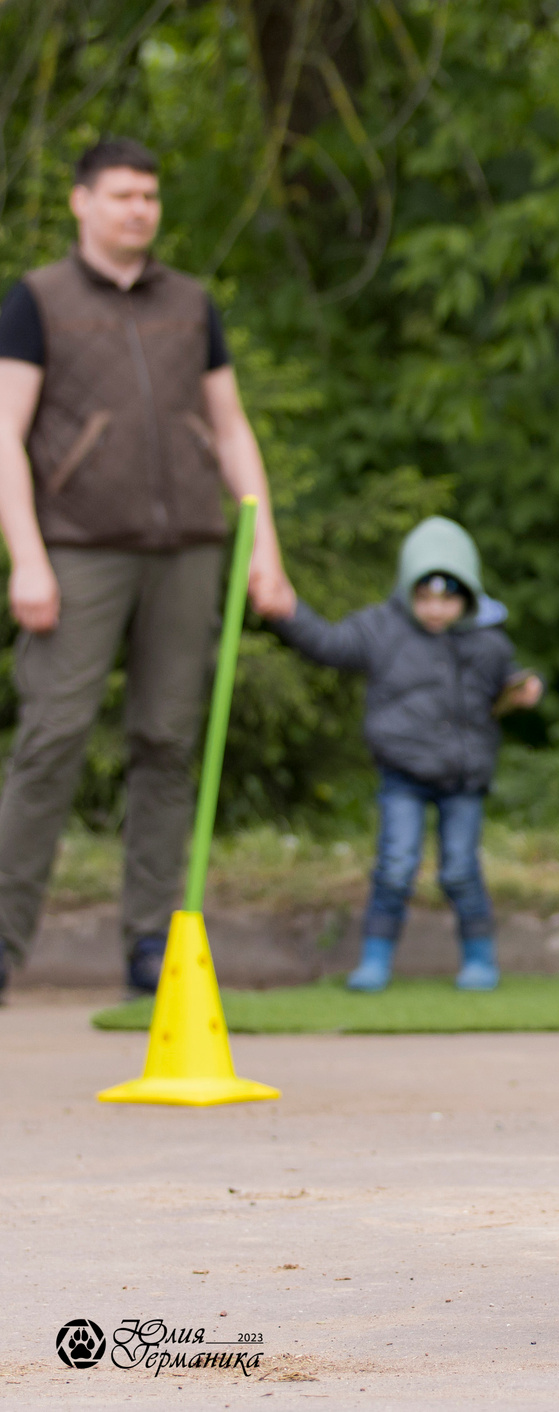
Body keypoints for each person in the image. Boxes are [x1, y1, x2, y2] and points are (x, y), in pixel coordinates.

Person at [0, 138, 295, 1002]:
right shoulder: (38, 300)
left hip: (188, 548)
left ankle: (152, 946)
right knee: (52, 740)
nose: (140, 210)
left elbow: (230, 427)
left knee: (168, 743)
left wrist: (264, 546)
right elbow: (4, 432)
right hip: (79, 549)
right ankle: (3, 941)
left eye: (150, 197)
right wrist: (28, 558)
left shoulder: (190, 303)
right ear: (81, 202)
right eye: (123, 195)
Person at [264, 517, 541, 992]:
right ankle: (375, 961)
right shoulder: (381, 629)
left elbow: (510, 678)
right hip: (403, 774)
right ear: (408, 588)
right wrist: (289, 612)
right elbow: (329, 644)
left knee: (460, 870)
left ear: (467, 595)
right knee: (395, 866)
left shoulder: (488, 641)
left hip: (464, 778)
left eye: (447, 599)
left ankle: (479, 958)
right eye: (424, 597)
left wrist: (529, 689)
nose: (435, 609)